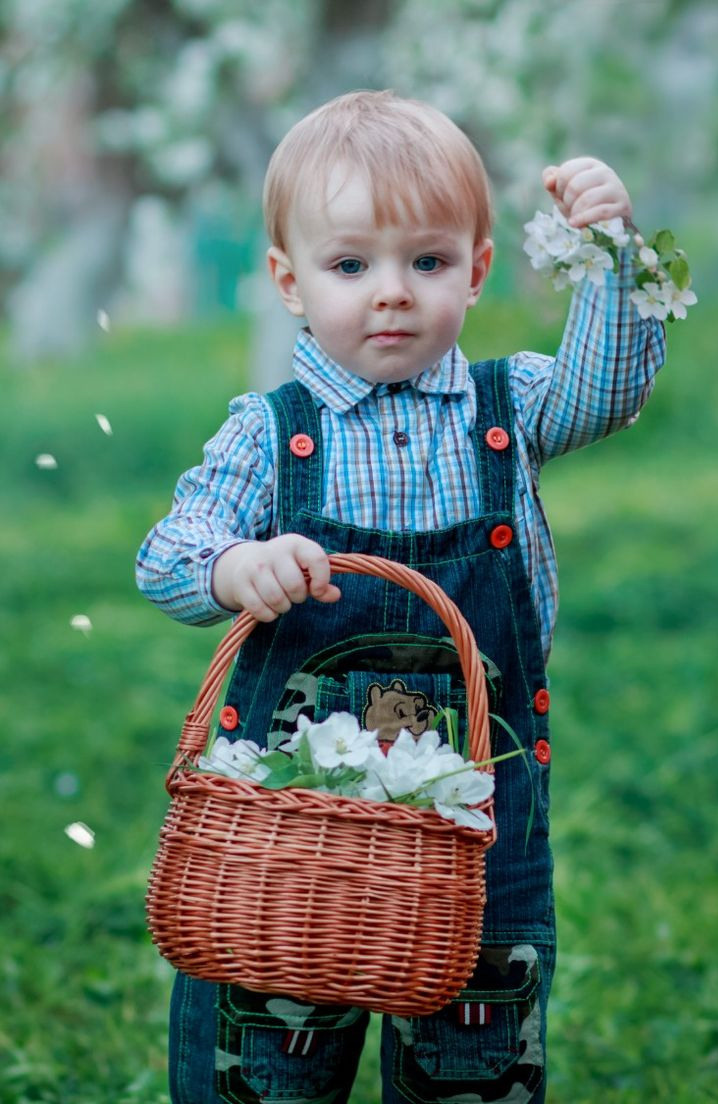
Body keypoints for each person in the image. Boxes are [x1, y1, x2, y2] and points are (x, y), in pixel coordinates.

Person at [137, 89, 666, 1104]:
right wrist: (232, 569)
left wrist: (610, 254)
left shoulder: (512, 407)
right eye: (350, 266)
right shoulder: (270, 430)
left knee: (469, 1042)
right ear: (290, 283)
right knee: (273, 1036)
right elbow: (169, 549)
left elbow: (611, 389)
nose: (390, 294)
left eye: (425, 263)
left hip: (471, 815)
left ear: (474, 271)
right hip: (295, 830)